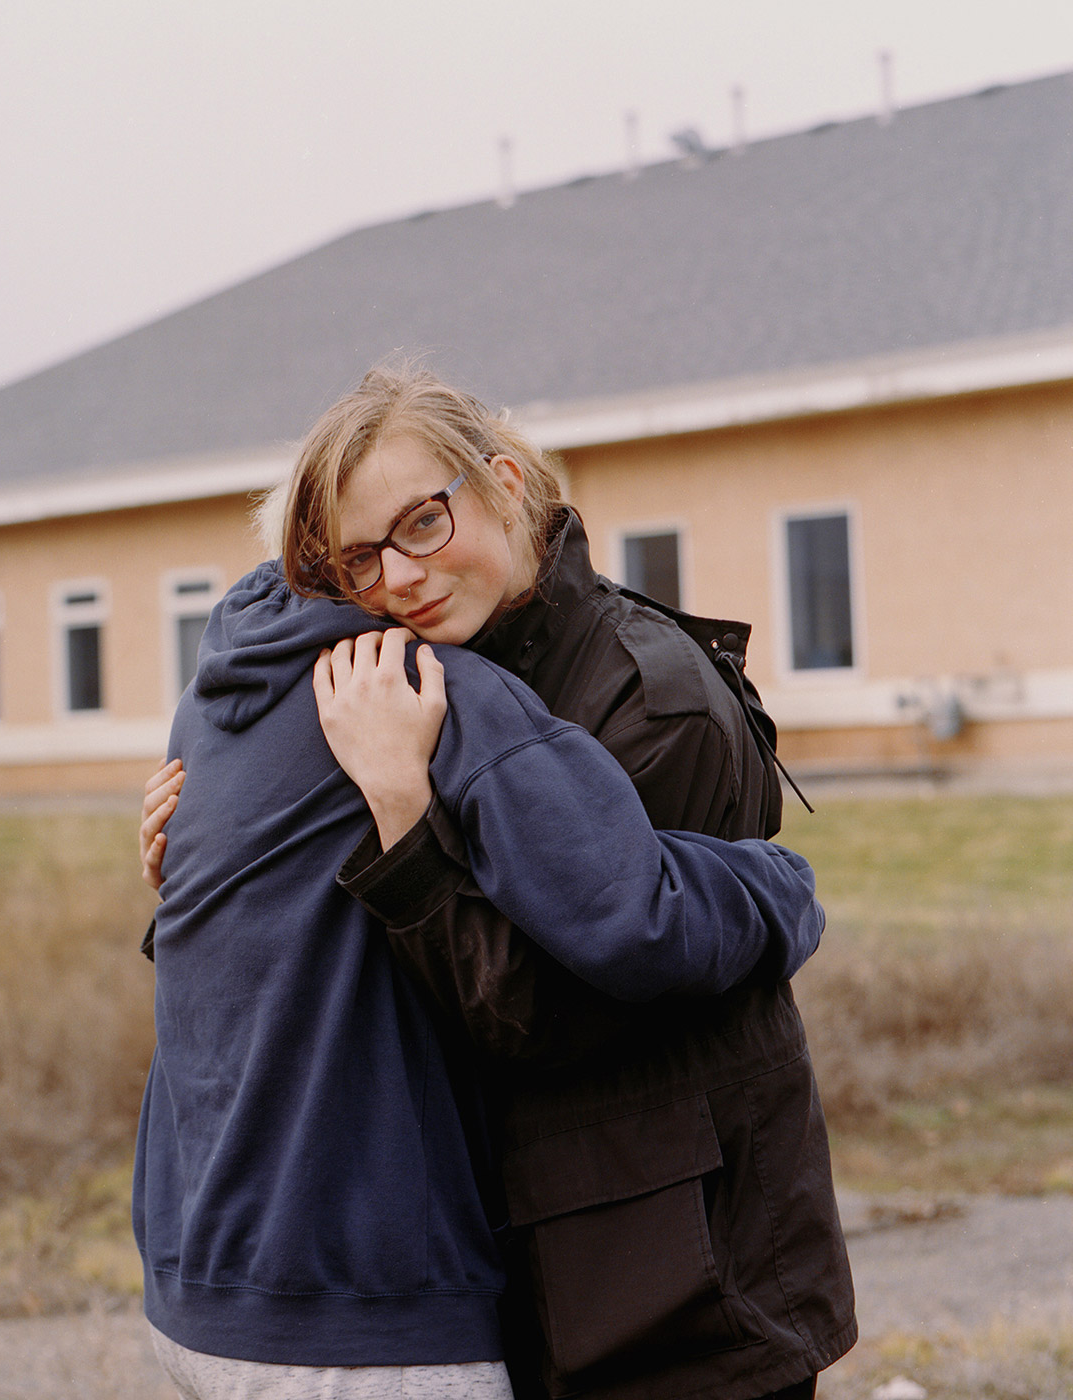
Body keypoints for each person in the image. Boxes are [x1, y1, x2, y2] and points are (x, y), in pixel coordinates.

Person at [140, 362, 856, 1400]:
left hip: (683, 1292)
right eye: (359, 559)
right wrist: (204, 859)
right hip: (523, 1271)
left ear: (505, 484)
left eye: (422, 523)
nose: (399, 576)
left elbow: (559, 1008)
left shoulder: (649, 701)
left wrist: (402, 816)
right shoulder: (401, 685)